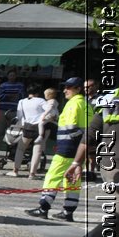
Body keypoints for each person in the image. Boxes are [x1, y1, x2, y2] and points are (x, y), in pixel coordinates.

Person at [55, 99, 119, 237]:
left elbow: (90, 135)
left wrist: (77, 162)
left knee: (118, 218)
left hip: (110, 165)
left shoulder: (113, 98)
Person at [25, 78, 90, 222]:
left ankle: (43, 208)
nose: (65, 90)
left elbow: (71, 128)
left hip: (67, 149)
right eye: (65, 87)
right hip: (78, 149)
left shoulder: (73, 104)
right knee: (73, 180)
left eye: (69, 87)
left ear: (78, 89)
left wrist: (63, 144)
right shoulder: (85, 104)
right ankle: (68, 212)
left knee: (52, 177)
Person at [10, 87, 47, 177]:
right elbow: (49, 111)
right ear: (37, 93)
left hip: (27, 126)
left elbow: (19, 116)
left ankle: (15, 170)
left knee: (20, 149)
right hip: (39, 127)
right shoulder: (41, 101)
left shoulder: (22, 101)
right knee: (37, 151)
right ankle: (32, 173)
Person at [31, 86, 60, 178]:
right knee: (43, 139)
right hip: (53, 117)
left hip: (49, 116)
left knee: (41, 124)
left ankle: (40, 135)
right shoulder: (52, 101)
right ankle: (42, 146)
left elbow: (49, 109)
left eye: (45, 95)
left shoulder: (51, 101)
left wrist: (44, 114)